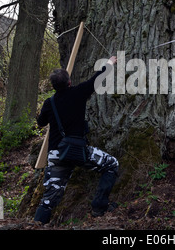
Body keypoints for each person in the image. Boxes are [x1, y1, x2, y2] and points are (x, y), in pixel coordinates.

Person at [34, 56, 119, 224]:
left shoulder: (49, 103)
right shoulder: (78, 92)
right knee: (112, 164)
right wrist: (109, 63)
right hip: (78, 152)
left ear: (53, 86)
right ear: (69, 82)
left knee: (48, 200)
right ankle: (99, 206)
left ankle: (37, 225)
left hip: (56, 155)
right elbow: (98, 78)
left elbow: (40, 123)